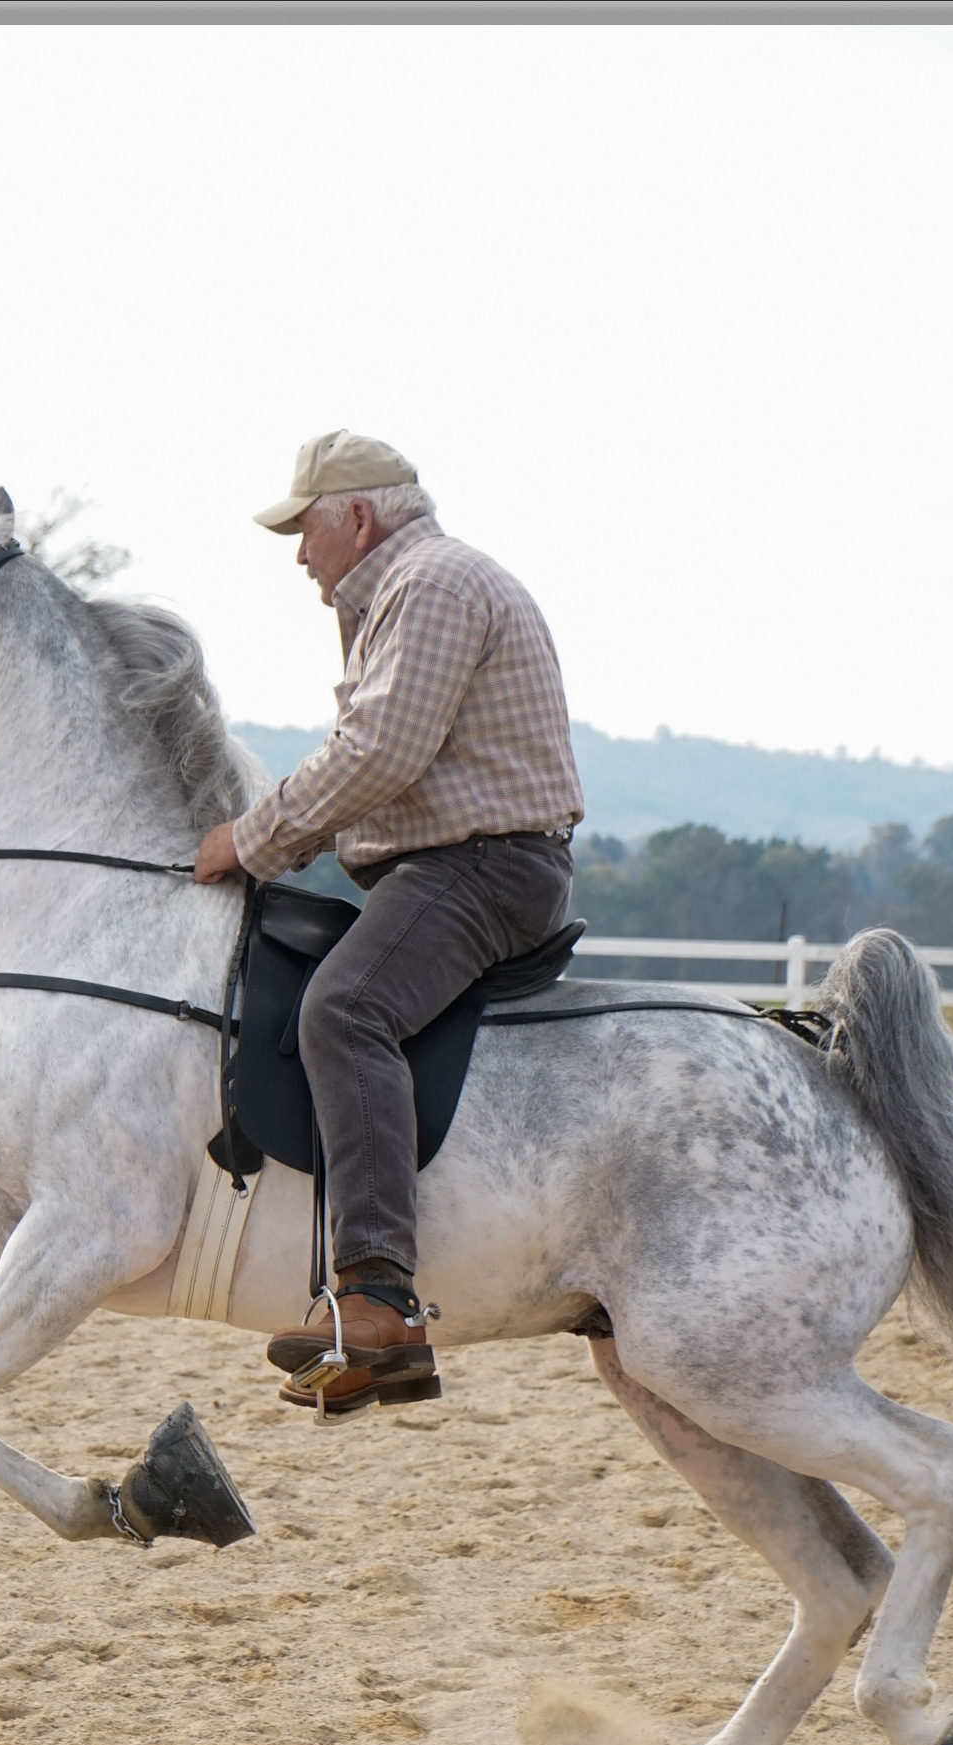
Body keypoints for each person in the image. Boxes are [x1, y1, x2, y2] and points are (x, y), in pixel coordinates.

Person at [194, 429, 586, 1412]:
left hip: (480, 869)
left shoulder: (432, 587)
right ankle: (371, 1340)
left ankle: (375, 1295)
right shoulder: (409, 592)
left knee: (345, 1010)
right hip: (448, 864)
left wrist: (250, 840)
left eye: (304, 529)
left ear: (357, 517)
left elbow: (377, 754)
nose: (297, 555)